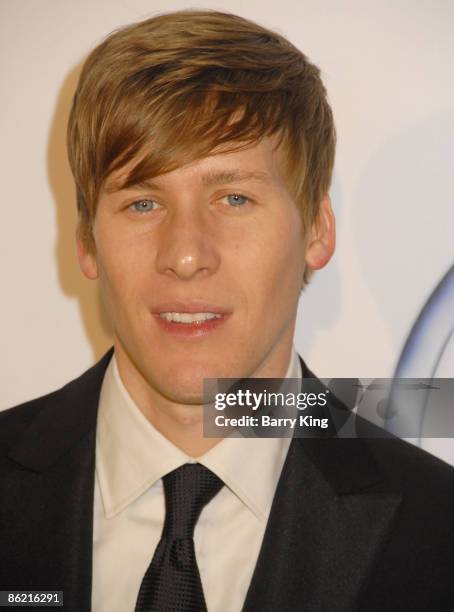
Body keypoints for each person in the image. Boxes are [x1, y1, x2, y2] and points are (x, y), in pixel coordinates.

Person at [1, 9, 454, 612]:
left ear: (316, 229)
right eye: (142, 203)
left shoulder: (439, 528)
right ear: (85, 240)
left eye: (234, 198)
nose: (186, 255)